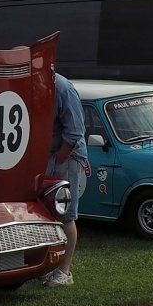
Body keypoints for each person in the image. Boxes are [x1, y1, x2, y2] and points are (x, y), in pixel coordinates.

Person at [42, 69, 88, 287]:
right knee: (46, 213)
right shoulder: (33, 84)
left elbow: (75, 131)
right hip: (46, 156)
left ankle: (64, 271)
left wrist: (59, 158)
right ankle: (48, 266)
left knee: (65, 214)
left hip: (67, 156)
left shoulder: (62, 87)